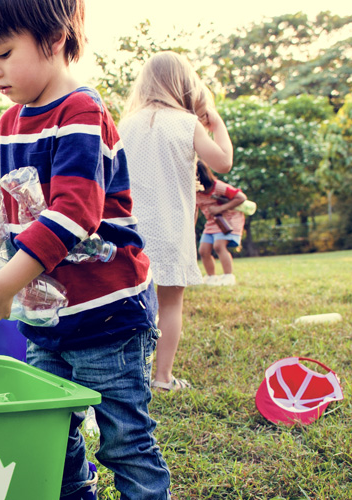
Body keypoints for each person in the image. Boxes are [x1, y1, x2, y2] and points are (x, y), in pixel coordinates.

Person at [0, 1, 170, 498]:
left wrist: (5, 284)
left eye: (3, 52)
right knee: (51, 436)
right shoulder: (11, 123)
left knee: (124, 442)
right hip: (46, 319)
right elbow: (26, 214)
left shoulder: (81, 112)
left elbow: (73, 215)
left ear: (54, 38)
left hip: (106, 315)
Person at [118, 51, 233, 393]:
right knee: (170, 304)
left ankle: (127, 374)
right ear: (183, 84)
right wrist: (217, 123)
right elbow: (223, 162)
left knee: (129, 304)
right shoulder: (187, 123)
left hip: (129, 229)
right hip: (171, 228)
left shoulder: (126, 124)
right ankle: (163, 378)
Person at [196, 160, 246, 286]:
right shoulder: (196, 192)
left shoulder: (218, 187)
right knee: (203, 250)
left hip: (227, 220)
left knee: (219, 246)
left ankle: (228, 276)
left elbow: (241, 197)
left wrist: (220, 208)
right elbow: (195, 209)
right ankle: (211, 277)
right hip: (212, 222)